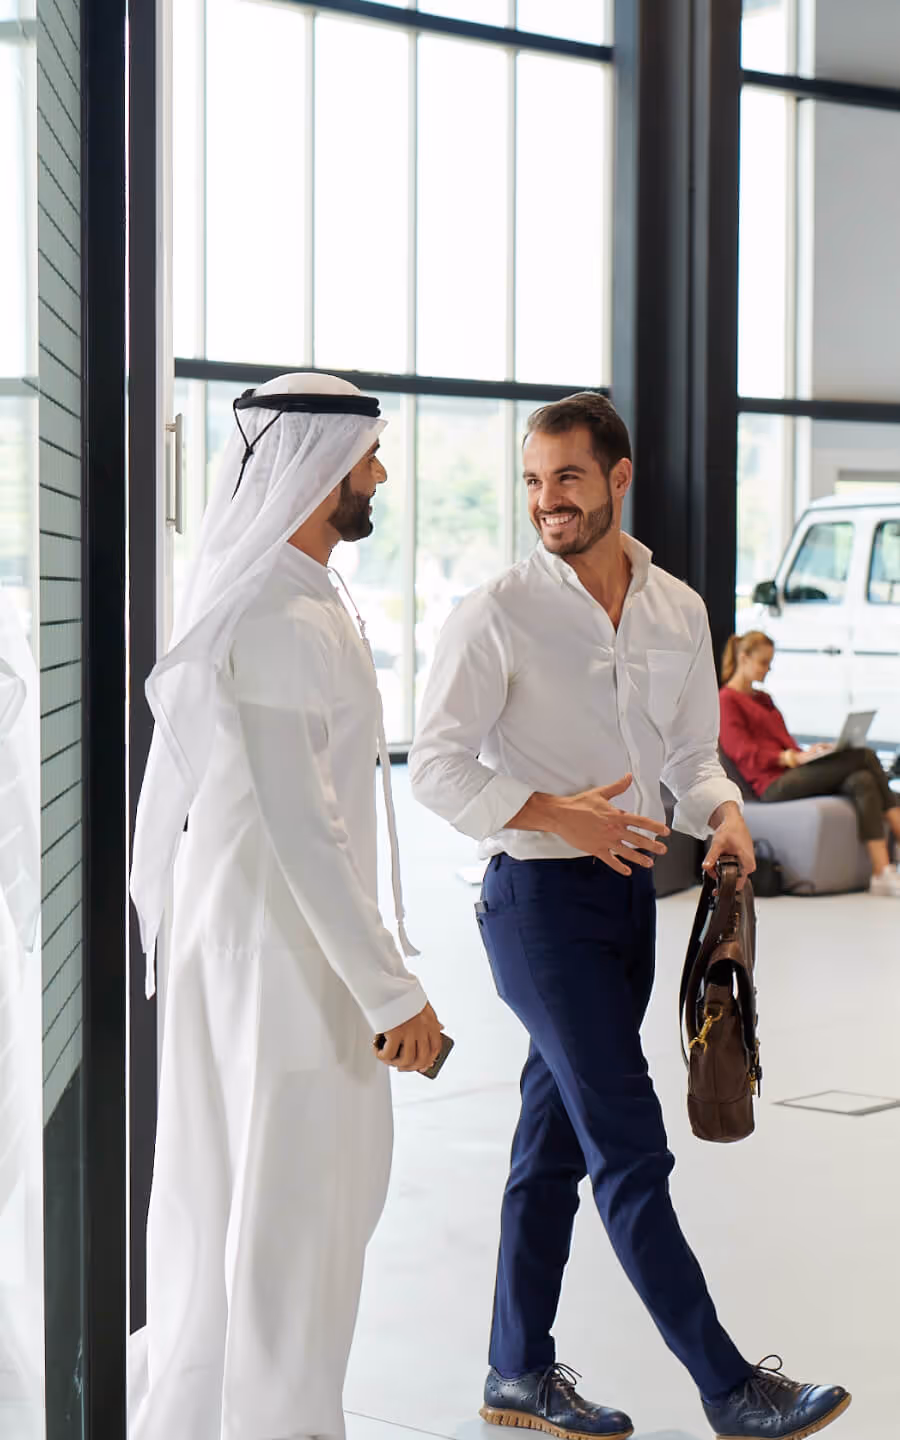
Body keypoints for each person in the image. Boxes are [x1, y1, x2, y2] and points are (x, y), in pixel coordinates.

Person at [409, 393, 850, 1440]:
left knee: (549, 1146)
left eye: (565, 477)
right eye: (530, 481)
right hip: (535, 906)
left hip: (634, 900)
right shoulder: (496, 612)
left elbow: (691, 760)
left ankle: (515, 1371)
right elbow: (434, 764)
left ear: (618, 477)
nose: (545, 501)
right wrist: (560, 813)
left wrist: (727, 816)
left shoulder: (678, 610)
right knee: (629, 1143)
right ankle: (730, 1385)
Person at [129, 373, 444, 1440]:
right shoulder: (273, 608)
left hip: (277, 951)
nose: (381, 476)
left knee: (286, 1206)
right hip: (280, 960)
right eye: (369, 458)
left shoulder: (302, 593)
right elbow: (306, 831)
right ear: (318, 467)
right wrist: (392, 990)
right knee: (290, 1214)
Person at [720, 630, 900, 897]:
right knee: (863, 756)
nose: (767, 670)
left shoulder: (764, 699)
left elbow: (784, 741)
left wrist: (810, 753)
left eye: (770, 663)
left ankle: (882, 872)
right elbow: (742, 751)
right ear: (743, 658)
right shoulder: (727, 700)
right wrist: (789, 758)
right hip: (771, 785)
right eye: (763, 663)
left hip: (793, 772)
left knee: (861, 780)